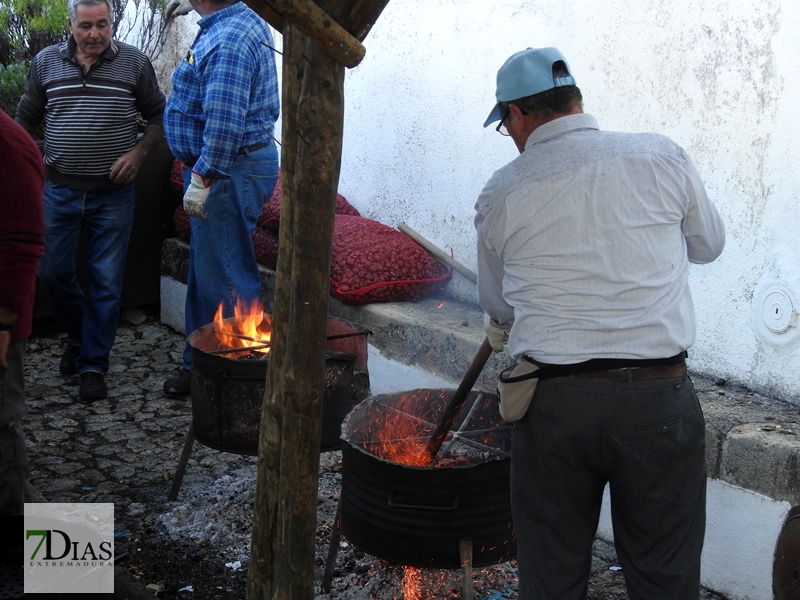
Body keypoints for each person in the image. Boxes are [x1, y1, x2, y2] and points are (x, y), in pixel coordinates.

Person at [475, 47, 725, 600]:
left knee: (552, 574)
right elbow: (708, 246)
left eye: (506, 125)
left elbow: (499, 307)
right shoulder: (661, 156)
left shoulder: (502, 190)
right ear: (574, 100)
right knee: (664, 576)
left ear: (516, 115)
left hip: (554, 408)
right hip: (659, 401)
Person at [14, 0, 166, 402]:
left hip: (113, 195)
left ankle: (94, 364)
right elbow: (24, 121)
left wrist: (138, 154)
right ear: (70, 24)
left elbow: (158, 115)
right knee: (51, 273)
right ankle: (81, 340)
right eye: (86, 26)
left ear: (111, 23)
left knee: (105, 282)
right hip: (58, 191)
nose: (95, 33)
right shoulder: (46, 63)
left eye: (102, 24)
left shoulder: (133, 63)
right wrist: (29, 169)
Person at [162, 0, 280, 396]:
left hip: (228, 169)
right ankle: (201, 365)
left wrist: (204, 175)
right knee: (209, 271)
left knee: (227, 277)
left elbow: (225, 124)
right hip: (227, 167)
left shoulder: (230, 37)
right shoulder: (222, 24)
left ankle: (240, 379)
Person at [0, 110, 46, 516]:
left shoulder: (8, 145)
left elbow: (24, 241)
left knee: (2, 432)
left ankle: (73, 573)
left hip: (1, 322)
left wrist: (3, 322)